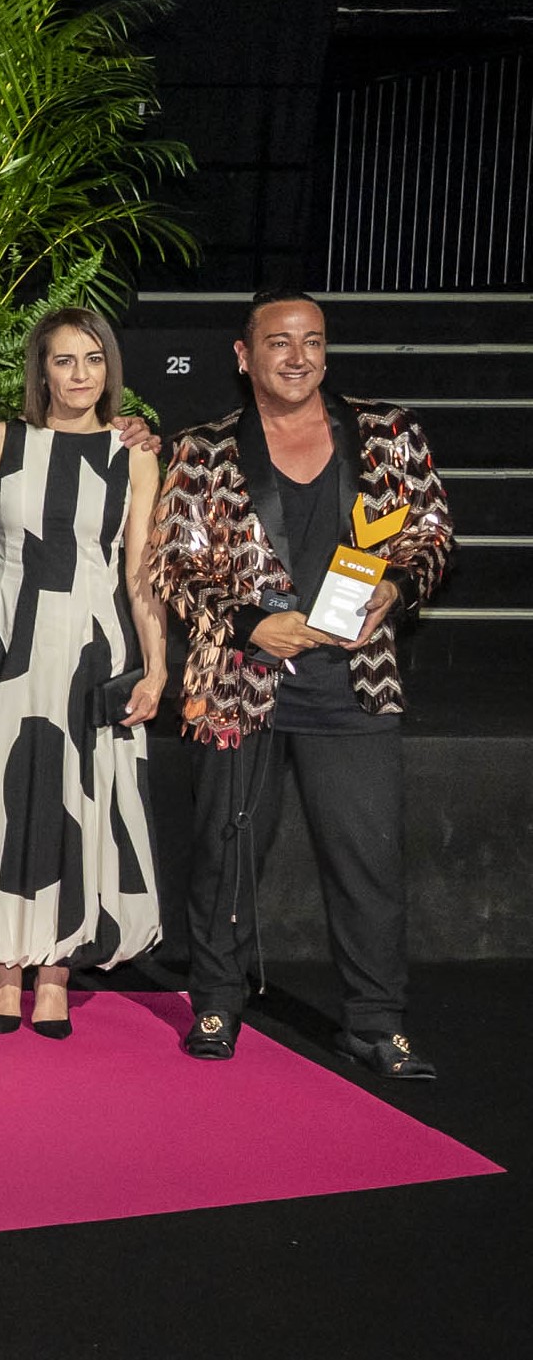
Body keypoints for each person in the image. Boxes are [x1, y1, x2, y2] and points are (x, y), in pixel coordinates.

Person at [153, 292, 454, 1079]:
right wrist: (250, 622)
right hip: (240, 684)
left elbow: (429, 532)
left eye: (311, 342)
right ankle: (216, 1000)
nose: (297, 357)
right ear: (243, 355)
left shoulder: (387, 432)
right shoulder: (203, 448)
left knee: (367, 860)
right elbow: (174, 568)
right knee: (226, 853)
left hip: (353, 685)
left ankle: (375, 1023)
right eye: (278, 342)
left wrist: (393, 587)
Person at [0, 307, 168, 1033]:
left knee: (74, 800)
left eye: (93, 360)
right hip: (5, 651)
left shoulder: (134, 456)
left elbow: (140, 572)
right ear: (41, 369)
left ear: (108, 369)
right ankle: (3, 962)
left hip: (90, 650)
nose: (79, 375)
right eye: (64, 361)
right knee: (2, 796)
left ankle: (54, 968)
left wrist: (154, 669)